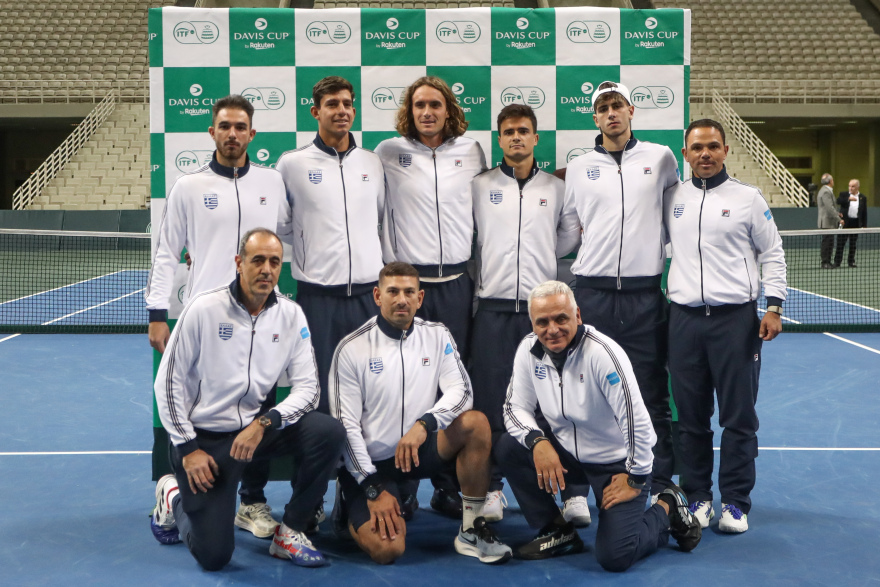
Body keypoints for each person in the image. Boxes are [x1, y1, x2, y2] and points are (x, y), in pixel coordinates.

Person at [150, 229, 346, 570]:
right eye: (257, 260)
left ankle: (290, 532)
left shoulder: (290, 315)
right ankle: (173, 498)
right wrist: (187, 449)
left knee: (327, 432)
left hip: (254, 433)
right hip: (205, 443)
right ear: (239, 264)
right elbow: (167, 384)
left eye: (274, 262)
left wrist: (265, 422)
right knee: (213, 556)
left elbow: (308, 389)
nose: (266, 269)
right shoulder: (204, 309)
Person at [145, 94, 290, 539]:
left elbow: (285, 241)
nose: (232, 134)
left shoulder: (272, 182)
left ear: (252, 133)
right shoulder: (188, 187)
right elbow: (167, 251)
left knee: (261, 406)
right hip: (202, 322)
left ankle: (252, 500)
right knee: (188, 407)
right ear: (212, 132)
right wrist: (156, 312)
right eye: (224, 126)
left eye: (240, 126)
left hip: (261, 317)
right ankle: (172, 489)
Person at [496, 281, 701, 569]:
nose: (552, 329)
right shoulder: (529, 350)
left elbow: (639, 424)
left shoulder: (603, 354)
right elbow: (514, 407)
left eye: (561, 318)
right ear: (532, 323)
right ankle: (557, 531)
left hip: (615, 464)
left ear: (577, 315)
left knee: (615, 556)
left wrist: (636, 478)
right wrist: (537, 441)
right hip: (567, 453)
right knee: (509, 447)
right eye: (542, 322)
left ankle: (667, 507)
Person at [328, 262, 512, 565]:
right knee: (388, 550)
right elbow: (345, 426)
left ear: (420, 298)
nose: (401, 299)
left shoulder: (437, 336)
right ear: (377, 295)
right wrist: (371, 488)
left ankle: (471, 528)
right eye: (393, 291)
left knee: (476, 424)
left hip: (416, 451)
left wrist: (425, 423)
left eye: (409, 292)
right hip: (372, 466)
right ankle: (350, 502)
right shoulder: (351, 348)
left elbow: (462, 392)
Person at [664, 119, 787, 533]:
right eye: (697, 147)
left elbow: (772, 252)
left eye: (713, 146)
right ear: (685, 153)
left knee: (738, 418)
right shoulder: (672, 197)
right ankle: (697, 496)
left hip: (736, 323)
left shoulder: (749, 199)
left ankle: (735, 503)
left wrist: (774, 306)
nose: (705, 154)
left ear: (726, 150)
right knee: (691, 420)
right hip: (682, 321)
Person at [374, 76, 487, 518]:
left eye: (435, 104)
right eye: (419, 104)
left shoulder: (471, 151)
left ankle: (445, 486)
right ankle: (398, 483)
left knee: (450, 385)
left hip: (458, 284)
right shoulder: (387, 152)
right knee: (403, 383)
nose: (427, 112)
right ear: (410, 109)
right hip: (410, 286)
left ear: (448, 109)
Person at [563, 81, 681, 497]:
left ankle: (663, 485)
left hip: (644, 298)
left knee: (651, 394)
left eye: (617, 105)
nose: (611, 113)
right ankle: (579, 490)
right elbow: (567, 232)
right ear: (593, 117)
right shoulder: (578, 167)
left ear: (631, 111)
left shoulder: (662, 159)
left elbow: (677, 219)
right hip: (591, 296)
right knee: (583, 393)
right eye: (602, 107)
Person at [470, 103, 582, 523]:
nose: (516, 137)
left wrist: (535, 258)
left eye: (524, 131)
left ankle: (570, 491)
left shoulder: (556, 188)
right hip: (494, 311)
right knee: (494, 402)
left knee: (557, 403)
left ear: (536, 139)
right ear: (499, 140)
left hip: (543, 317)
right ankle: (494, 488)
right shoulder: (480, 186)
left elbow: (567, 237)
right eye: (508, 131)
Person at [275, 76, 385, 414]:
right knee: (319, 389)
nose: (342, 111)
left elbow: (378, 217)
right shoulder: (292, 164)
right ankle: (325, 465)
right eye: (332, 104)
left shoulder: (372, 162)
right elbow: (282, 226)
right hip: (318, 298)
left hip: (369, 297)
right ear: (315, 111)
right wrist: (316, 242)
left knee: (371, 388)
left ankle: (366, 467)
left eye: (347, 104)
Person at [834, 178, 868, 268]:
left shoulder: (863, 198)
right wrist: (848, 199)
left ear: (857, 187)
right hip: (845, 222)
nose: (850, 188)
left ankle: (851, 262)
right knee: (840, 243)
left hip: (855, 223)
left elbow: (864, 212)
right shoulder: (844, 195)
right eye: (849, 186)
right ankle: (837, 262)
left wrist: (864, 225)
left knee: (853, 244)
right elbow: (838, 201)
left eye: (853, 186)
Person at [817, 173, 842, 269]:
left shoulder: (826, 191)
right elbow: (829, 208)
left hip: (829, 222)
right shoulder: (826, 192)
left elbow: (830, 207)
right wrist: (839, 219)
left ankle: (827, 261)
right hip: (827, 222)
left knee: (830, 242)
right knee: (827, 243)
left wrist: (837, 213)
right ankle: (825, 262)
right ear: (831, 181)